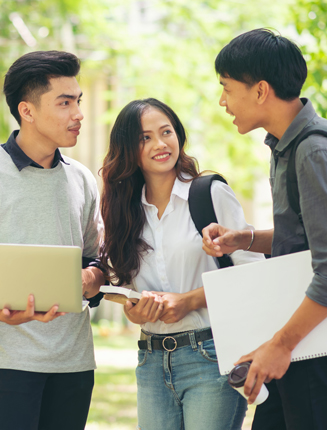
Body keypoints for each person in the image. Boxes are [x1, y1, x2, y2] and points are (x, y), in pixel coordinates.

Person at [202, 28, 327, 429]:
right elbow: (312, 237)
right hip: (299, 342)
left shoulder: (313, 151)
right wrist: (247, 239)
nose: (222, 101)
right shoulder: (286, 145)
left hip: (313, 345)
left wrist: (280, 345)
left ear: (260, 91)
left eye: (226, 88)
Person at [0, 50, 105, 430]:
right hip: (6, 364)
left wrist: (91, 279)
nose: (78, 114)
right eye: (64, 103)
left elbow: (97, 260)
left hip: (74, 362)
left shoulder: (82, 178)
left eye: (78, 101)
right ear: (27, 111)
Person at [99, 98, 263, 430]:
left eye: (166, 132)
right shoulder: (124, 211)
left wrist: (189, 301)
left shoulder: (209, 193)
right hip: (150, 358)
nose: (160, 144)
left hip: (211, 354)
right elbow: (130, 288)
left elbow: (254, 273)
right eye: (145, 137)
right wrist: (135, 310)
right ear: (128, 148)